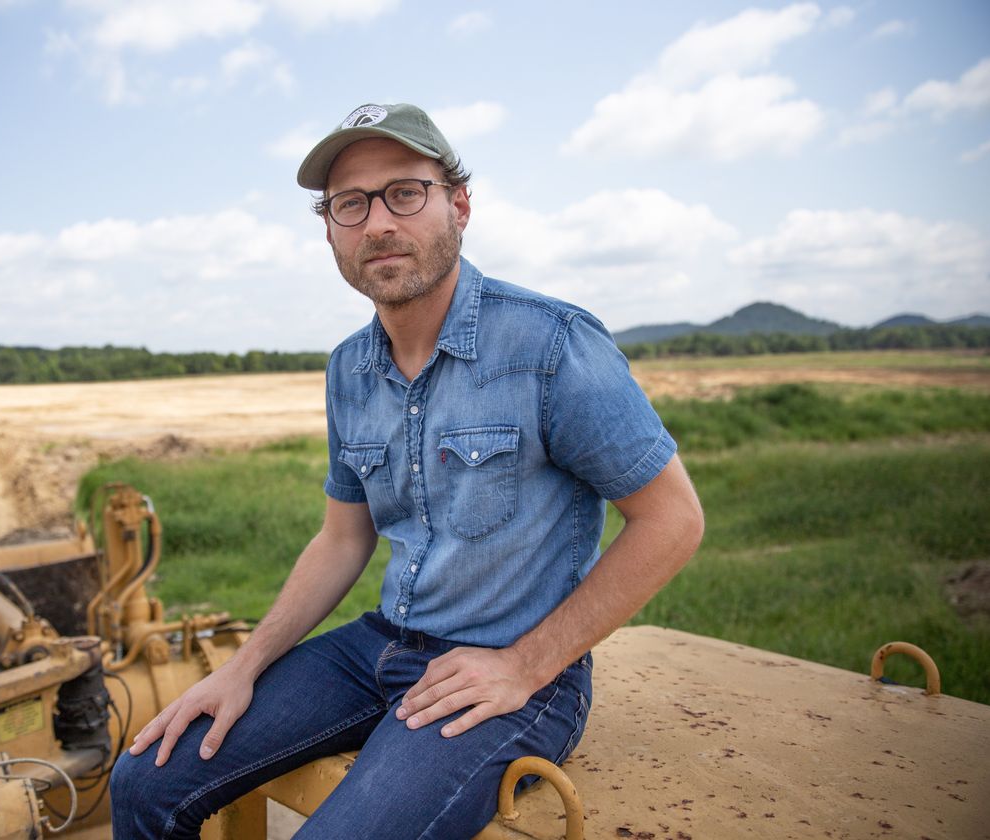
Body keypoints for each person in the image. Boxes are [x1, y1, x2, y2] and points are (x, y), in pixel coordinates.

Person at [109, 103, 704, 839]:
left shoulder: (551, 345)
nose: (378, 223)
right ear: (328, 228)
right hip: (379, 646)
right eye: (350, 204)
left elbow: (673, 518)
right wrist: (243, 666)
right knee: (143, 781)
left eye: (405, 192)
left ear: (458, 204)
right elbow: (341, 540)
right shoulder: (349, 369)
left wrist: (526, 664)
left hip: (515, 674)